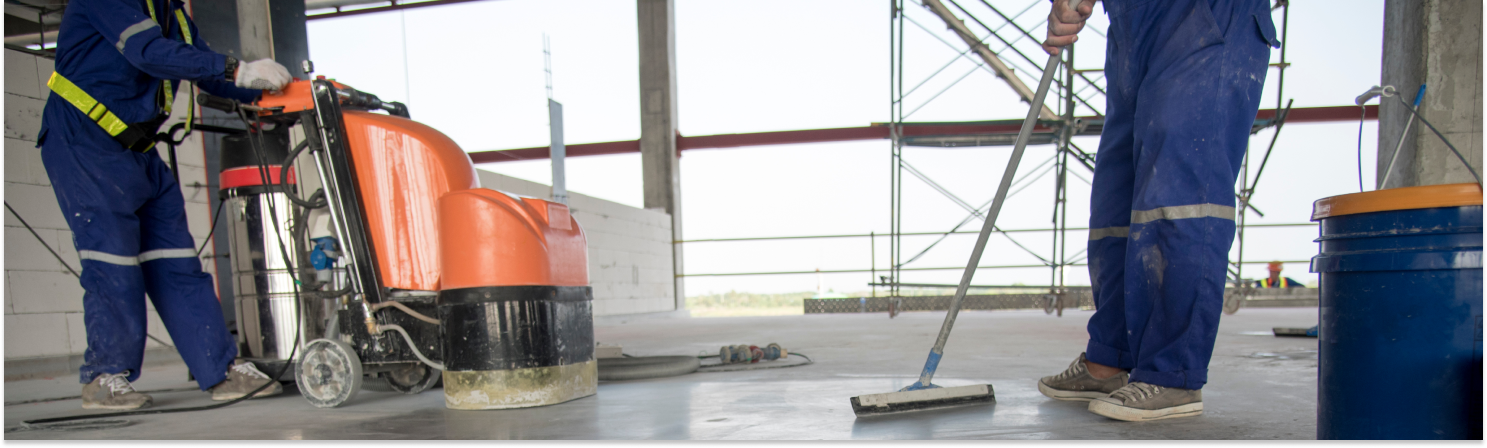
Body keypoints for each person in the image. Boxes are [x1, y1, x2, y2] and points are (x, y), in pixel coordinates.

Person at [39, 0, 295, 410]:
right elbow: (149, 52)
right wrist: (235, 69)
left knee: (176, 261)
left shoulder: (168, 8)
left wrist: (269, 88)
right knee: (112, 259)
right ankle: (105, 375)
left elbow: (200, 64)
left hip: (137, 148)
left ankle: (221, 369)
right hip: (84, 140)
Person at [1034, 0, 1281, 421]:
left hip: (1205, 12)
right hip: (1131, 18)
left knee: (1181, 185)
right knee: (1117, 191)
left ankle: (1173, 374)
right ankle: (1110, 356)